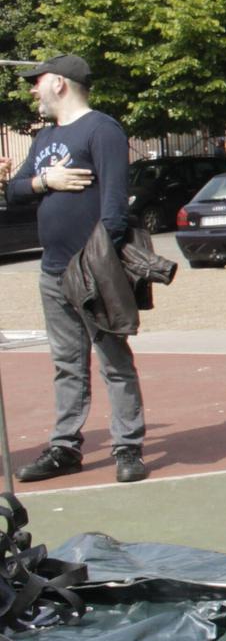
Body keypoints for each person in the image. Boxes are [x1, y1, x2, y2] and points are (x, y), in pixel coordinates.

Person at [4, 56, 148, 484]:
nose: (33, 89)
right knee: (66, 363)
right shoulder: (45, 137)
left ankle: (128, 448)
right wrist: (45, 182)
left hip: (93, 271)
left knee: (113, 360)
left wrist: (98, 264)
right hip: (52, 271)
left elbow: (115, 210)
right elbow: (15, 192)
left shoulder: (102, 130)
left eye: (38, 82)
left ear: (61, 84)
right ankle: (65, 446)